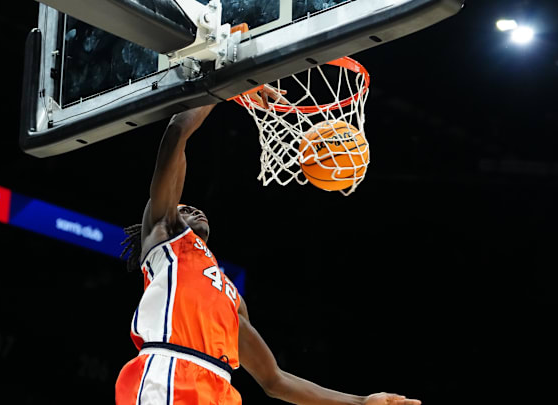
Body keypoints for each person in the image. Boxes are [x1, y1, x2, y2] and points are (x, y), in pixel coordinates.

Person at [115, 88, 421, 405]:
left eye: (193, 207)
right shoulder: (164, 236)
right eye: (183, 207)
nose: (193, 209)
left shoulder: (231, 296)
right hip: (169, 374)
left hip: (220, 389)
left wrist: (361, 402)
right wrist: (222, 85)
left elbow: (275, 380)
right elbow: (177, 134)